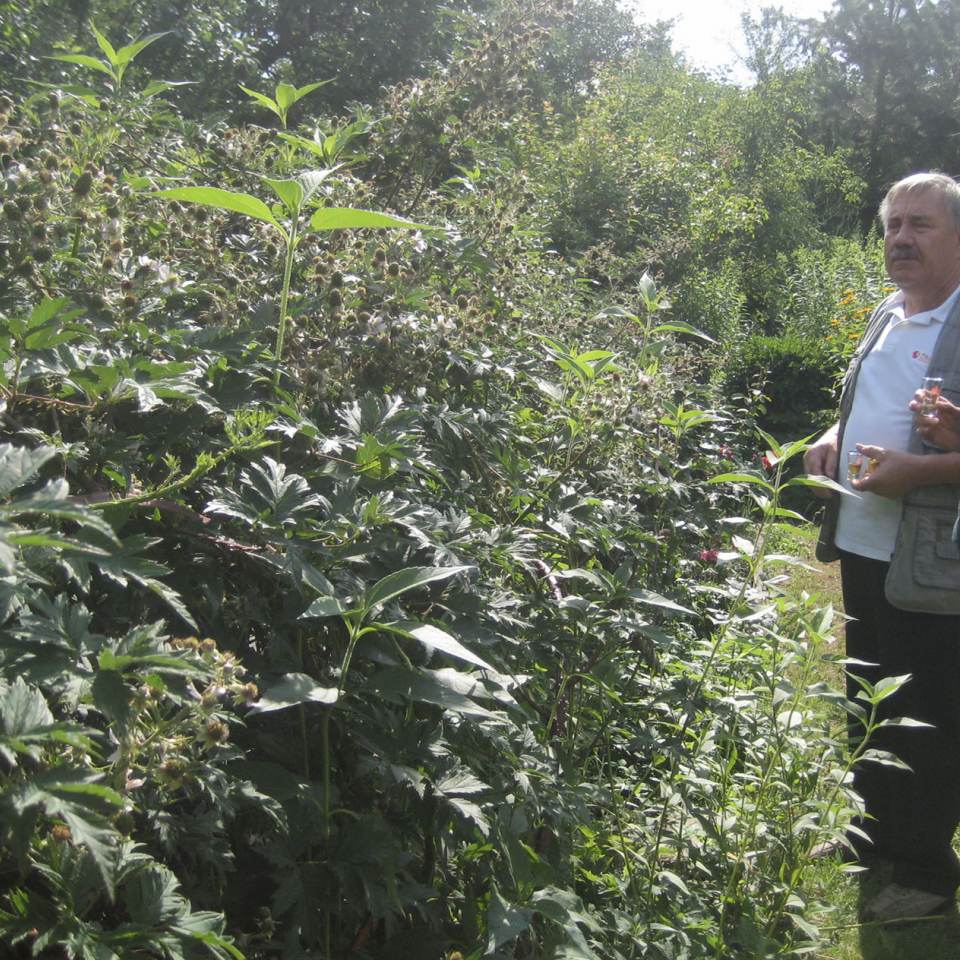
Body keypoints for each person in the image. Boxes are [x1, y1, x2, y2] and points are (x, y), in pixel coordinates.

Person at [803, 171, 960, 922]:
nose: (900, 239)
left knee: (929, 712)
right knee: (867, 695)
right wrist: (833, 436)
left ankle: (928, 877)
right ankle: (870, 835)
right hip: (865, 545)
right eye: (893, 224)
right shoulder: (887, 314)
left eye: (921, 225)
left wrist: (920, 471)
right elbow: (861, 396)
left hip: (936, 561)